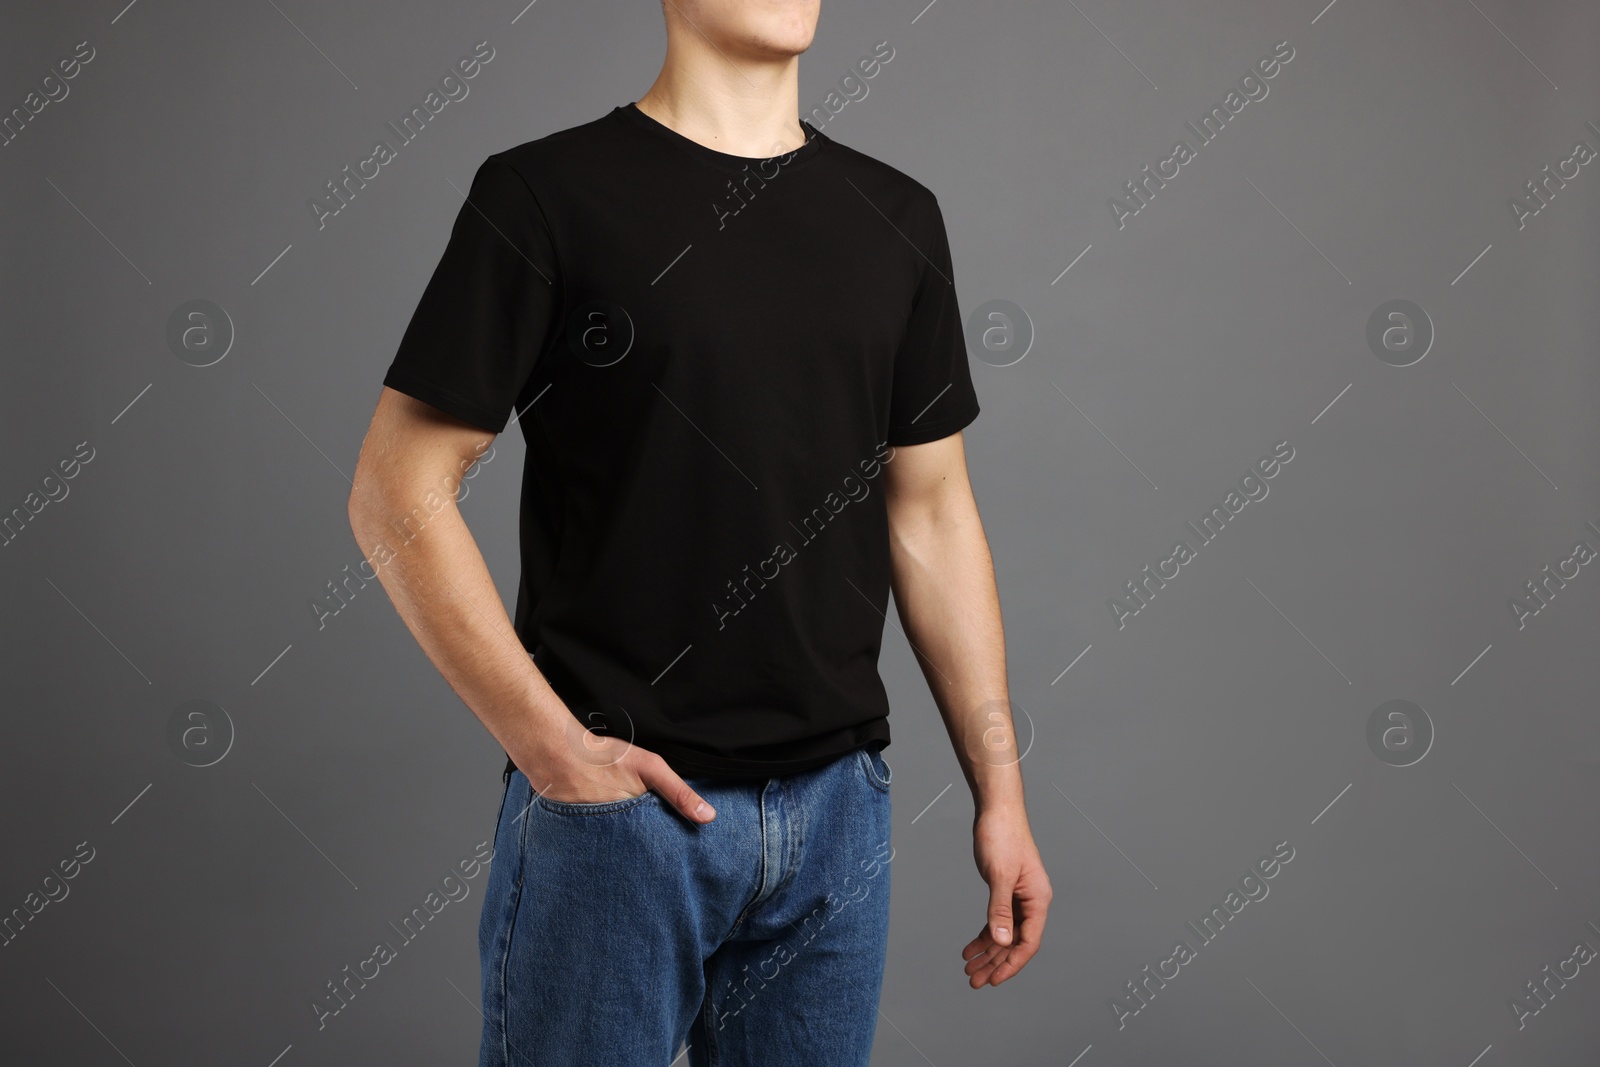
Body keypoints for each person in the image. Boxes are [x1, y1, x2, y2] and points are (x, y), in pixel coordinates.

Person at [348, 2, 1050, 1063]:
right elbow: (396, 490)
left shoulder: (895, 215)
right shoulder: (544, 196)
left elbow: (933, 509)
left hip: (837, 820)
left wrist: (1000, 790)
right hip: (618, 820)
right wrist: (555, 754)